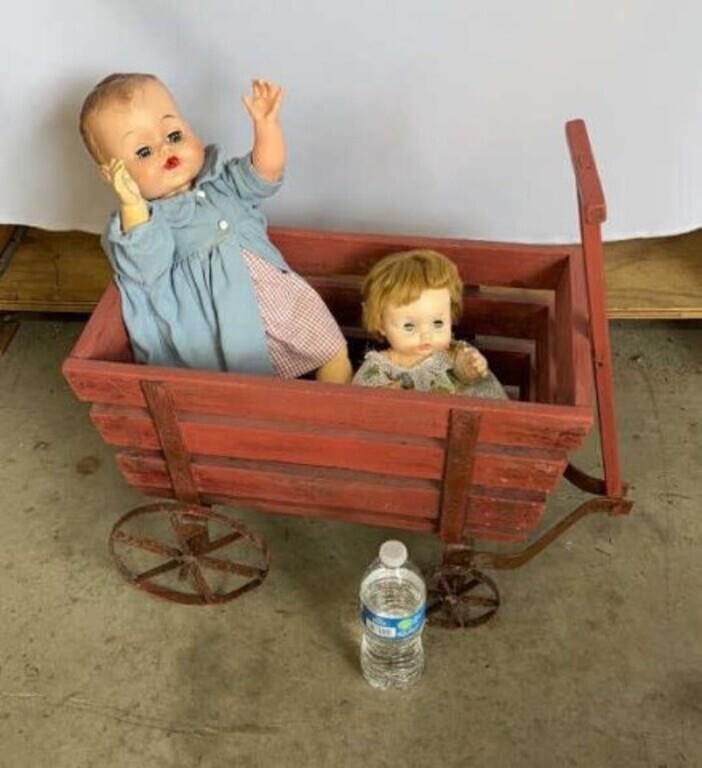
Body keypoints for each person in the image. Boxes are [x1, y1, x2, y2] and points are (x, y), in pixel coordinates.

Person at [79, 73, 352, 383]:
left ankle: (336, 411)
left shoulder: (222, 182)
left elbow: (265, 174)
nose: (165, 150)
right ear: (110, 174)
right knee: (248, 385)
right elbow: (144, 266)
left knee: (330, 348)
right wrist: (131, 204)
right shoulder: (145, 222)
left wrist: (266, 127)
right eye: (143, 152)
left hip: (280, 304)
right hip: (221, 328)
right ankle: (279, 421)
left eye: (174, 135)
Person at [352, 249, 507, 398]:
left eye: (438, 323)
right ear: (381, 324)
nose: (426, 335)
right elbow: (361, 401)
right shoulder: (378, 368)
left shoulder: (454, 354)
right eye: (409, 326)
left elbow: (467, 374)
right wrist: (386, 396)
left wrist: (472, 367)